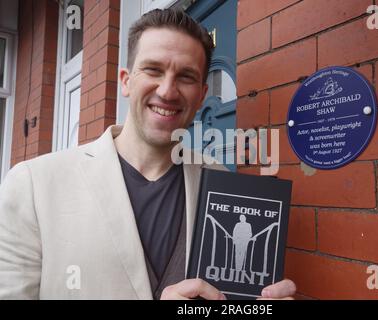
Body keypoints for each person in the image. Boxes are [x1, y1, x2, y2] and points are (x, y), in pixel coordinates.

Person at [0, 8, 295, 300]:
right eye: (153, 69)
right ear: (126, 80)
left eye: (186, 76)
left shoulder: (218, 180)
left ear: (202, 95)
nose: (167, 91)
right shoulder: (32, 186)